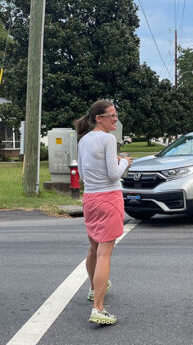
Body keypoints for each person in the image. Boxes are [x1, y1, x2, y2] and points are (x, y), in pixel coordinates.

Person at [74, 99, 132, 325]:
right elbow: (114, 174)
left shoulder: (84, 140)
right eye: (112, 115)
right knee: (105, 254)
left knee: (94, 248)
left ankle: (93, 289)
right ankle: (98, 308)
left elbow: (81, 170)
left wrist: (116, 160)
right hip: (109, 198)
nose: (115, 119)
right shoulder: (108, 139)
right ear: (99, 118)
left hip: (90, 198)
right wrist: (125, 162)